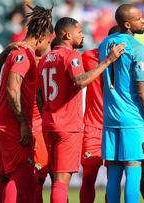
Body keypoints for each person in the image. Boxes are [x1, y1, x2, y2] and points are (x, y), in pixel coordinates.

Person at [37, 17, 124, 203]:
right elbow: (80, 81)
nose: (82, 35)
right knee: (61, 181)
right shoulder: (72, 56)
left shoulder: (45, 58)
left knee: (56, 178)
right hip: (68, 125)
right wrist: (108, 60)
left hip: (48, 123)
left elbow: (38, 94)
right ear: (68, 35)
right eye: (79, 31)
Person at [0, 5, 53, 203]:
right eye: (49, 42)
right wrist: (24, 123)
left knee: (5, 177)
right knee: (21, 176)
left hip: (0, 122)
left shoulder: (15, 52)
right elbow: (12, 89)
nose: (48, 47)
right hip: (12, 124)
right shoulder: (24, 55)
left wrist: (6, 50)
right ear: (42, 37)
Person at [99, 4, 144, 203]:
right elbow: (143, 91)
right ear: (127, 24)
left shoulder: (104, 44)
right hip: (132, 119)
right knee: (133, 173)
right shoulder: (136, 48)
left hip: (110, 118)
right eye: (139, 18)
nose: (143, 20)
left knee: (114, 174)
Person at [79, 25, 120, 203]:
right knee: (88, 177)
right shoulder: (89, 57)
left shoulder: (129, 60)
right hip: (92, 127)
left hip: (116, 127)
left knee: (113, 179)